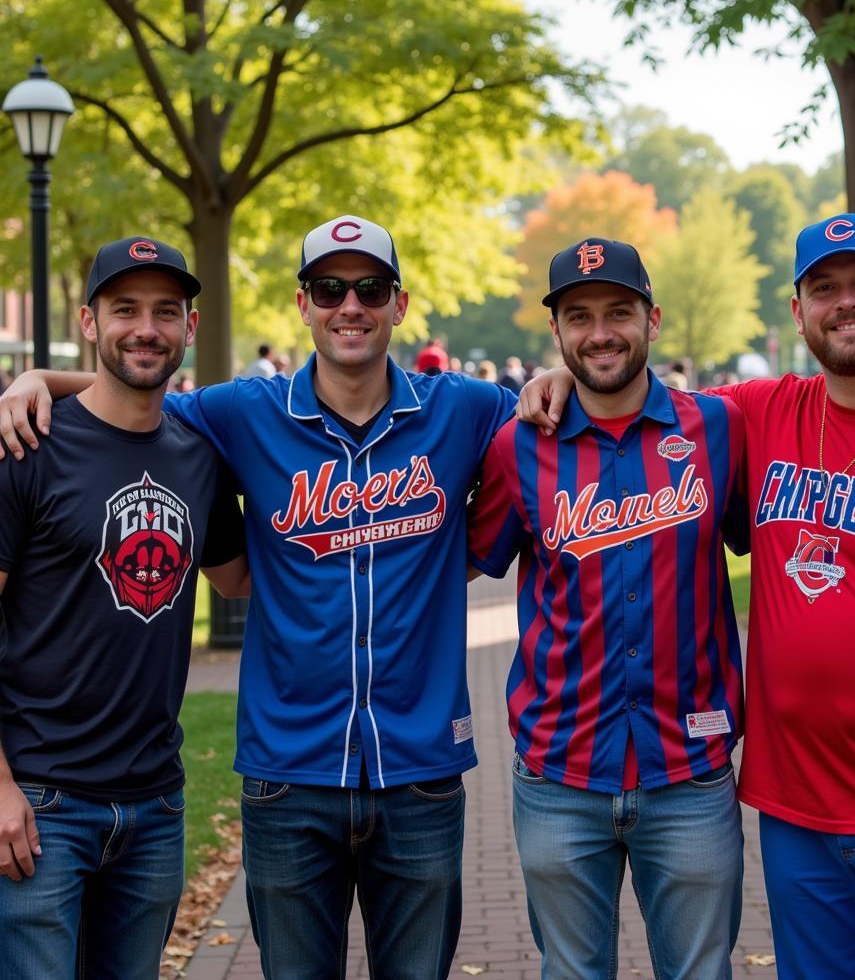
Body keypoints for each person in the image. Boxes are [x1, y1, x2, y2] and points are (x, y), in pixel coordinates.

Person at [0, 215, 518, 979]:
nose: (350, 305)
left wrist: (559, 375)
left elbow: (557, 421)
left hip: (421, 773)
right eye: (329, 288)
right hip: (288, 776)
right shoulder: (240, 413)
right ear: (302, 304)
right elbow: (129, 391)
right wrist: (35, 380)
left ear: (399, 304)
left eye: (369, 288)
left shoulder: (464, 410)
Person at [519, 214, 855, 980]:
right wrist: (566, 376)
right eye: (824, 288)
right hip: (800, 817)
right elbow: (634, 396)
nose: (846, 303)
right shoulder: (755, 415)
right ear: (798, 311)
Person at [468, 238, 746, 979]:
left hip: (689, 770)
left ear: (652, 320)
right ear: (555, 332)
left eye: (618, 311)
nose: (600, 332)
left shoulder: (718, 429)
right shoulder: (518, 446)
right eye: (579, 316)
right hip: (560, 771)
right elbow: (468, 560)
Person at [0, 236, 248, 979]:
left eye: (165, 311)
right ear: (88, 320)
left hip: (155, 805)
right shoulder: (29, 446)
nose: (146, 328)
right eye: (125, 309)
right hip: (42, 803)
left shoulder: (200, 457)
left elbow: (239, 580)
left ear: (190, 328)